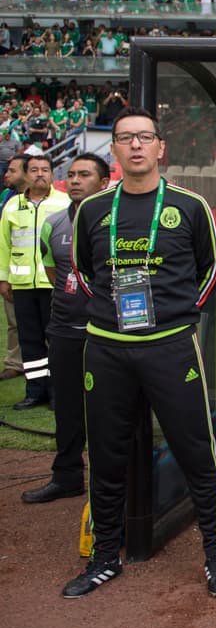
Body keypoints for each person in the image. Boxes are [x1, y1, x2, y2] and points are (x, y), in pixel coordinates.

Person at [64, 107, 216, 598]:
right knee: (108, 456)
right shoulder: (94, 210)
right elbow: (83, 270)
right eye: (125, 138)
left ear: (161, 147)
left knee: (197, 454)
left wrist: (179, 319)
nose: (136, 145)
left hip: (170, 348)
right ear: (113, 150)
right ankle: (103, 557)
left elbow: (212, 266)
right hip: (108, 350)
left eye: (145, 137)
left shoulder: (190, 205)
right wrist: (109, 318)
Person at [20, 153, 110, 503]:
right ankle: (68, 475)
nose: (74, 180)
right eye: (71, 174)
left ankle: (114, 483)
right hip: (64, 330)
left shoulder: (113, 221)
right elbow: (53, 272)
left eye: (84, 174)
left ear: (103, 183)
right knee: (68, 409)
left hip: (104, 333)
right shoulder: (53, 223)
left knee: (110, 410)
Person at [0, 152, 71, 409]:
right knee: (29, 342)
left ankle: (56, 391)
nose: (40, 174)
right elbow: (4, 246)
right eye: (34, 170)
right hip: (22, 286)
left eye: (45, 169)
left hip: (53, 284)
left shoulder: (64, 203)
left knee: (55, 340)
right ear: (26, 175)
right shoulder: (12, 205)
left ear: (53, 174)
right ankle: (35, 391)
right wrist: (3, 279)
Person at [0, 155, 26, 382]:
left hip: (44, 277)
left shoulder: (54, 201)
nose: (6, 174)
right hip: (14, 271)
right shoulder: (7, 197)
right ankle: (15, 363)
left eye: (12, 170)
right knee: (13, 322)